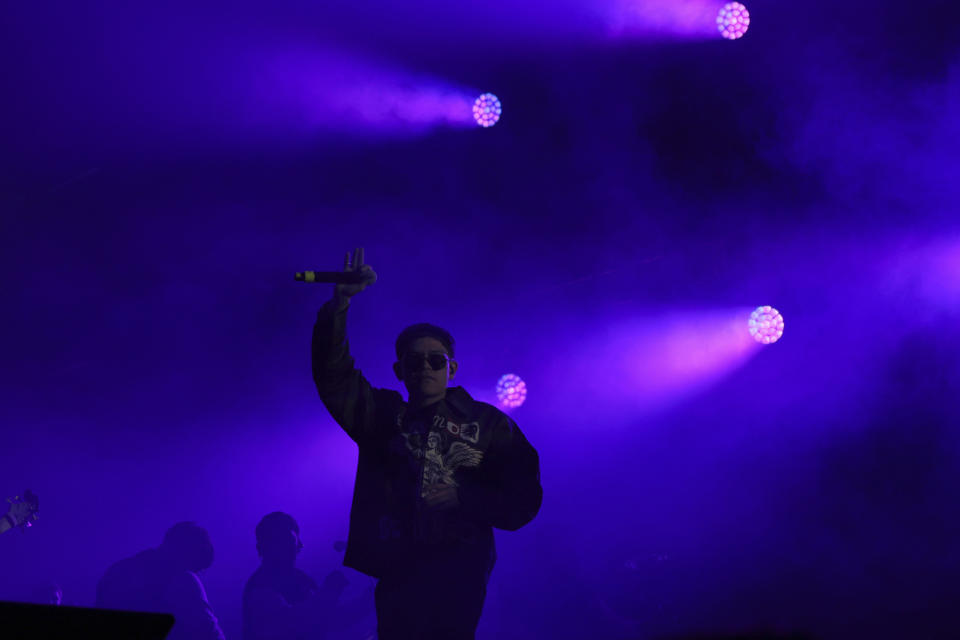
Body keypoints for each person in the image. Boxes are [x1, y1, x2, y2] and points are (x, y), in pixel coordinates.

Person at [311, 247, 543, 640]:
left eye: (435, 360)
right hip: (398, 567)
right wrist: (339, 306)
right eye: (414, 361)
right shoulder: (381, 416)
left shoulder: (487, 423)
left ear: (451, 368)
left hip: (460, 568)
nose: (425, 368)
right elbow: (334, 377)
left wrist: (463, 497)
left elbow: (525, 498)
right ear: (400, 371)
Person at [95, 521, 225, 640]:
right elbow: (209, 633)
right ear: (191, 557)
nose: (197, 576)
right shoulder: (184, 580)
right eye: (197, 569)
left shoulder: (117, 570)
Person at [242, 511, 350, 640]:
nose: (298, 546)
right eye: (289, 540)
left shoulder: (301, 579)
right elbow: (292, 621)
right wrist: (328, 593)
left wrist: (370, 596)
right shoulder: (259, 587)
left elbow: (335, 619)